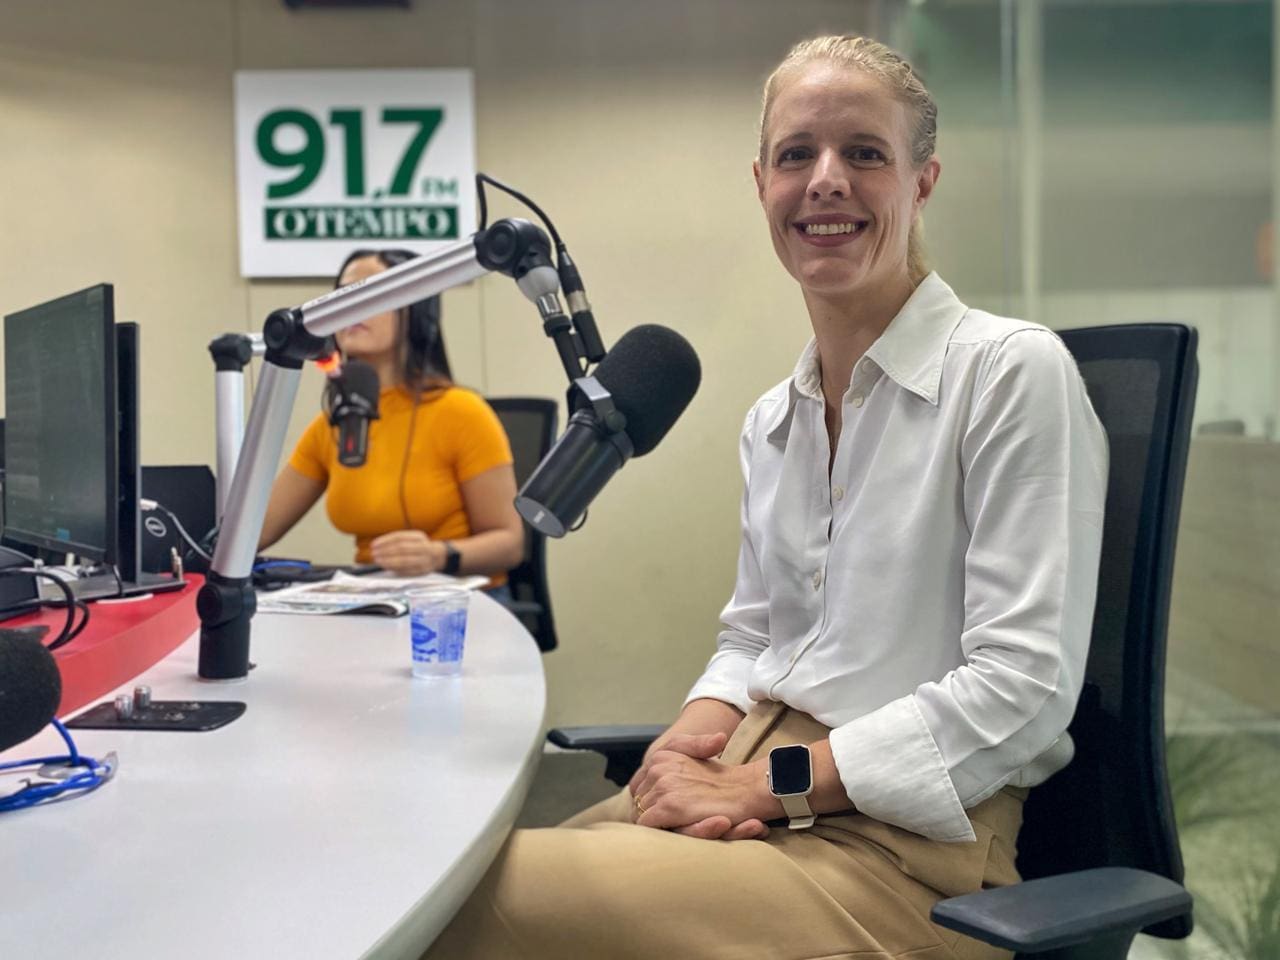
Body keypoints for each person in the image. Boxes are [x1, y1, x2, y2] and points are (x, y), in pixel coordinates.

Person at [426, 34, 1108, 960]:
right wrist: (686, 745)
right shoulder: (774, 420)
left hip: (903, 860)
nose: (826, 179)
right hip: (759, 783)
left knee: (459, 913)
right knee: (438, 876)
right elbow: (754, 639)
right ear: (762, 186)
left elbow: (1022, 692)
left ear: (922, 182)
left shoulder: (1007, 372)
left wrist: (771, 783)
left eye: (864, 152)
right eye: (797, 154)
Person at [258, 249, 524, 590]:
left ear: (416, 313)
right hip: (374, 601)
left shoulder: (462, 412)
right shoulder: (333, 425)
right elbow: (257, 531)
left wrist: (439, 555)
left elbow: (510, 544)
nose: (352, 309)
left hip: (458, 603)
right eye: (343, 297)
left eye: (371, 295)